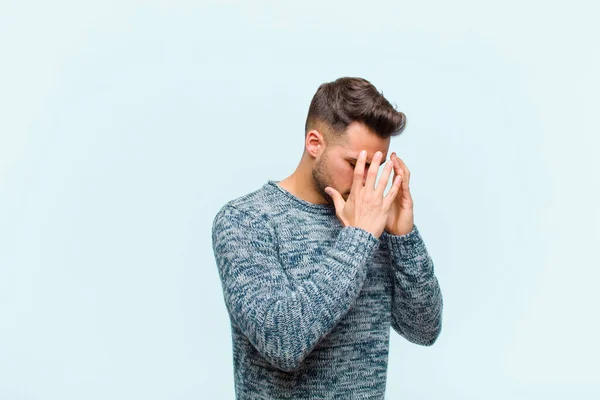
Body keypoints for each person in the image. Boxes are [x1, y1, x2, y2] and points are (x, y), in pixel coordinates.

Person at [211, 76, 443, 399]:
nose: (365, 181)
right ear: (314, 143)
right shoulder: (245, 221)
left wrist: (405, 238)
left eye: (374, 167)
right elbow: (283, 342)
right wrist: (358, 238)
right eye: (354, 163)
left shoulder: (372, 222)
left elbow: (424, 329)